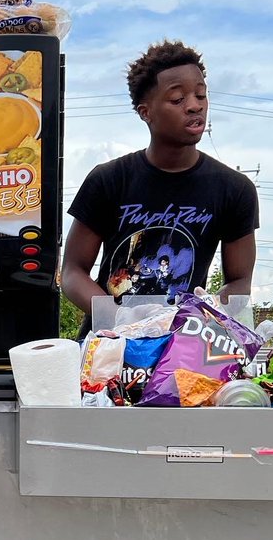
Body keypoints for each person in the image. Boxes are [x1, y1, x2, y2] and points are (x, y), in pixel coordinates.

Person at [62, 39, 258, 330]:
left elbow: (239, 280)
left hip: (184, 345)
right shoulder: (109, 180)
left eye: (201, 95)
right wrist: (119, 320)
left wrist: (205, 316)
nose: (194, 106)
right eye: (178, 99)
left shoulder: (234, 188)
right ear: (146, 112)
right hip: (108, 346)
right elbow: (72, 272)